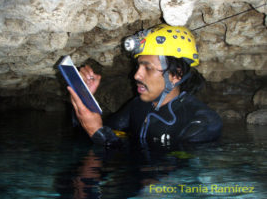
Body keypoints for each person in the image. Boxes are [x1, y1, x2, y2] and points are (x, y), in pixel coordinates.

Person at [67, 23, 222, 147]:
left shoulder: (203, 122)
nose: (136, 75)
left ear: (176, 75)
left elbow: (177, 176)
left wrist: (98, 133)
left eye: (147, 67)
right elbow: (88, 135)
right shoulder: (137, 105)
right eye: (138, 66)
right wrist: (84, 99)